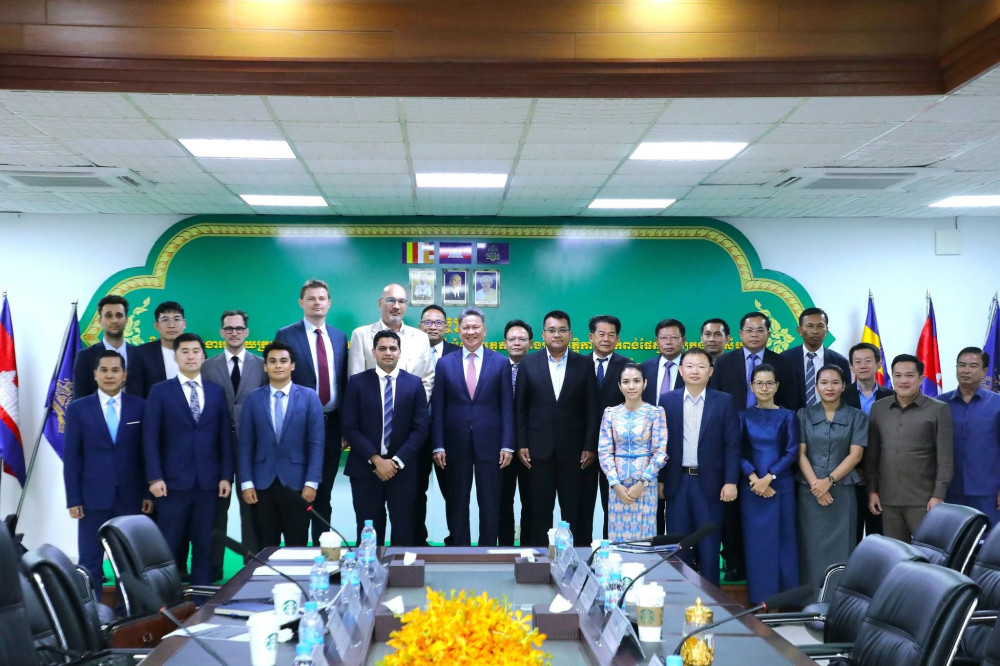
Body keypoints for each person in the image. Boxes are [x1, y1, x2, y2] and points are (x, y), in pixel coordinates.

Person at [710, 311, 793, 582]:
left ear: (769, 333)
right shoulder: (724, 362)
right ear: (740, 334)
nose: (754, 335)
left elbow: (793, 402)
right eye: (749, 330)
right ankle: (734, 561)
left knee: (769, 514)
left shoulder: (782, 363)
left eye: (760, 330)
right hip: (732, 443)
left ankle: (771, 568)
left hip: (771, 445)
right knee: (732, 508)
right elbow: (715, 402)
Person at [143, 333, 232, 585]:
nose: (191, 356)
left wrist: (226, 476)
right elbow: (150, 438)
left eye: (195, 351)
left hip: (208, 484)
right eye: (185, 351)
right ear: (175, 356)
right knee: (169, 546)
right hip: (171, 484)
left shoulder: (216, 392)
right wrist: (154, 477)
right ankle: (168, 599)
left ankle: (201, 599)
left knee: (204, 545)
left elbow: (224, 437)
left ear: (203, 356)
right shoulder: (160, 391)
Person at [63, 349, 151, 593]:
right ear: (95, 374)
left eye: (115, 370)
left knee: (128, 561)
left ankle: (128, 610)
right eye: (104, 370)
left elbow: (146, 454)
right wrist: (73, 498)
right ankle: (91, 612)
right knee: (90, 561)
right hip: (92, 498)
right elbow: (71, 458)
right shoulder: (78, 409)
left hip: (130, 497)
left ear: (124, 375)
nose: (109, 375)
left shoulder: (140, 407)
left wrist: (147, 493)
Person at [515, 310, 599, 545]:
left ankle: (576, 560)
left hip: (575, 454)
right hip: (537, 452)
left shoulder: (584, 364)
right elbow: (520, 408)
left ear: (571, 335)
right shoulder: (528, 363)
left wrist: (590, 446)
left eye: (562, 330)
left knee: (573, 511)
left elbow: (592, 409)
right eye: (551, 330)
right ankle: (539, 560)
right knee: (539, 511)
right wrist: (521, 443)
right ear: (543, 335)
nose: (557, 335)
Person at [274, 278, 348, 544]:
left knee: (323, 494)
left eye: (322, 298)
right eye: (311, 298)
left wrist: (344, 427)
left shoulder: (339, 337)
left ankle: (321, 549)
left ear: (329, 303)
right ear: (301, 302)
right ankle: (296, 550)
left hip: (331, 426)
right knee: (298, 492)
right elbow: (278, 378)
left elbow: (343, 382)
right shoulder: (286, 335)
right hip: (297, 427)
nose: (317, 303)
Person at [432, 308, 513, 546]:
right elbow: (438, 407)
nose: (471, 331)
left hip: (491, 444)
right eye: (466, 327)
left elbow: (507, 407)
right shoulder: (445, 363)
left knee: (490, 501)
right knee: (457, 501)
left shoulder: (500, 362)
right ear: (458, 331)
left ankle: (488, 549)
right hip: (454, 444)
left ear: (484, 330)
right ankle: (460, 549)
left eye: (475, 327)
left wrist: (508, 445)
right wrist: (438, 444)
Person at [658, 348, 739, 585]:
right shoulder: (667, 400)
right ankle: (680, 598)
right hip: (678, 483)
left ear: (710, 371)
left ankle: (712, 603)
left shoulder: (724, 401)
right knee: (679, 547)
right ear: (681, 370)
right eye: (690, 366)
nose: (695, 371)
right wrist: (661, 479)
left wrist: (731, 481)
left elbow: (732, 445)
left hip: (711, 485)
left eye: (701, 366)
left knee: (709, 548)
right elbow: (662, 443)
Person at [342, 330, 428, 546]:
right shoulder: (357, 382)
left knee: (404, 530)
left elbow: (420, 429)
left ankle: (399, 568)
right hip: (365, 469)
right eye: (382, 348)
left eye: (392, 348)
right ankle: (370, 568)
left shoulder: (414, 383)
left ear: (400, 352)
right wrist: (376, 460)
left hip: (403, 470)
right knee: (368, 530)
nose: (387, 352)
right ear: (373, 352)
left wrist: (395, 462)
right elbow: (350, 427)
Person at [238, 341, 325, 548]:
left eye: (283, 361)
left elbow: (316, 443)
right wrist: (246, 482)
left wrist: (312, 482)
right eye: (272, 361)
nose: (278, 365)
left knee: (297, 544)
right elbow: (245, 444)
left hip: (298, 484)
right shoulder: (253, 398)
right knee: (266, 545)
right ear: (265, 366)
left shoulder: (309, 397)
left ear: (292, 365)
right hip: (261, 484)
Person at [202, 309, 267, 574]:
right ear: (221, 332)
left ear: (247, 332)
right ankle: (214, 567)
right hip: (217, 447)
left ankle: (252, 564)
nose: (234, 333)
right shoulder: (207, 366)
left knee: (252, 506)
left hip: (252, 447)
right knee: (217, 507)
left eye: (239, 328)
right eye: (229, 328)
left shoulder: (261, 365)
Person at [867, 354, 954, 542]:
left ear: (921, 379)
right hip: (888, 499)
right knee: (896, 554)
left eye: (909, 375)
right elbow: (873, 455)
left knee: (929, 552)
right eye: (897, 375)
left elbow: (945, 458)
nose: (903, 380)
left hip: (924, 500)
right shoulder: (878, 409)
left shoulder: (938, 409)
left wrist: (938, 495)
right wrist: (872, 490)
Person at [796, 364, 865, 589]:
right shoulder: (803, 414)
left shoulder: (857, 416)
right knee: (809, 545)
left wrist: (829, 481)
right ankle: (808, 599)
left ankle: (837, 599)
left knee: (842, 546)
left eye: (835, 382)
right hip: (809, 491)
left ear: (844, 386)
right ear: (816, 386)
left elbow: (855, 456)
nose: (829, 387)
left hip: (842, 490)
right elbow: (800, 454)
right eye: (824, 383)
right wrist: (816, 485)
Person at [739, 364, 799, 604]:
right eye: (759, 383)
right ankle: (759, 601)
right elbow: (737, 452)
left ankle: (783, 604)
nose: (764, 388)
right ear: (751, 386)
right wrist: (755, 479)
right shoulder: (743, 416)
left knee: (784, 545)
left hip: (781, 487)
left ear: (776, 386)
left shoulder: (788, 416)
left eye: (769, 383)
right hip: (752, 489)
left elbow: (792, 452)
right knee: (758, 546)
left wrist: (769, 477)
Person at [598, 363, 668, 542]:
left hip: (645, 485)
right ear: (619, 386)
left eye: (636, 381)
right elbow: (604, 451)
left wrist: (642, 483)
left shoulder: (655, 413)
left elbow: (660, 452)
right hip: (617, 485)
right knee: (618, 542)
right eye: (626, 382)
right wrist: (616, 484)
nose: (631, 386)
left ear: (645, 384)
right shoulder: (611, 413)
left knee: (644, 541)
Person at [939, 347, 1000, 528]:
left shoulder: (997, 404)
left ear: (984, 370)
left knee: (987, 541)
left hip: (987, 491)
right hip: (948, 490)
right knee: (951, 539)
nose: (966, 370)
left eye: (973, 366)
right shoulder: (939, 404)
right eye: (962, 365)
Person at [415, 304, 459, 545]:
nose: (433, 327)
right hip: (415, 436)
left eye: (438, 322)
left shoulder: (459, 353)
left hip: (449, 437)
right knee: (415, 492)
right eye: (428, 322)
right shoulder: (407, 351)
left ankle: (456, 541)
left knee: (454, 493)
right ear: (420, 326)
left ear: (446, 327)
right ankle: (417, 541)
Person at [585, 314, 632, 539]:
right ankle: (581, 552)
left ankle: (610, 551)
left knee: (613, 506)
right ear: (591, 337)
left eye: (611, 335)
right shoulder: (578, 364)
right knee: (581, 507)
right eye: (601, 334)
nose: (606, 339)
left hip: (616, 450)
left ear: (618, 339)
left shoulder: (628, 367)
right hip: (582, 449)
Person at [348, 283, 435, 401]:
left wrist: (417, 405)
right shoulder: (361, 335)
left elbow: (427, 379)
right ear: (380, 303)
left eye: (402, 301)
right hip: (372, 408)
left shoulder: (421, 338)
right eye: (391, 300)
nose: (396, 306)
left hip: (411, 409)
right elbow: (355, 379)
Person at [842, 342, 893, 543]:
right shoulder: (841, 396)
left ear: (879, 364)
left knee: (878, 534)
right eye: (858, 362)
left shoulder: (892, 396)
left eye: (868, 361)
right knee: (850, 533)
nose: (863, 366)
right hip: (849, 473)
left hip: (882, 474)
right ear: (851, 367)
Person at [499, 319, 533, 546]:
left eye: (522, 339)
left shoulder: (539, 368)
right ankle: (505, 547)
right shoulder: (496, 368)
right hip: (501, 447)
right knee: (503, 500)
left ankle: (529, 548)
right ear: (505, 343)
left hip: (531, 447)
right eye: (512, 339)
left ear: (531, 342)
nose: (517, 343)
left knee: (531, 501)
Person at [779, 308, 851, 411]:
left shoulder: (840, 362)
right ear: (800, 330)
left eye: (820, 326)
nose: (815, 331)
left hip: (831, 418)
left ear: (826, 330)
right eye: (809, 326)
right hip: (792, 418)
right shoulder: (784, 359)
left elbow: (846, 397)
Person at [73, 295, 137, 398]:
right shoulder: (85, 357)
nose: (114, 320)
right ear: (100, 321)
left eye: (119, 315)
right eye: (108, 316)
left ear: (126, 320)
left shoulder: (139, 354)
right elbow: (80, 399)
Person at [127, 301, 186, 398]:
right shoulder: (141, 354)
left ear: (184, 324)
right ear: (156, 325)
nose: (171, 325)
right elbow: (134, 395)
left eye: (176, 319)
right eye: (165, 320)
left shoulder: (195, 353)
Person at [641, 318, 686, 404]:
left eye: (674, 337)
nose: (668, 342)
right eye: (663, 338)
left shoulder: (691, 367)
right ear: (656, 341)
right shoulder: (645, 368)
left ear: (683, 340)